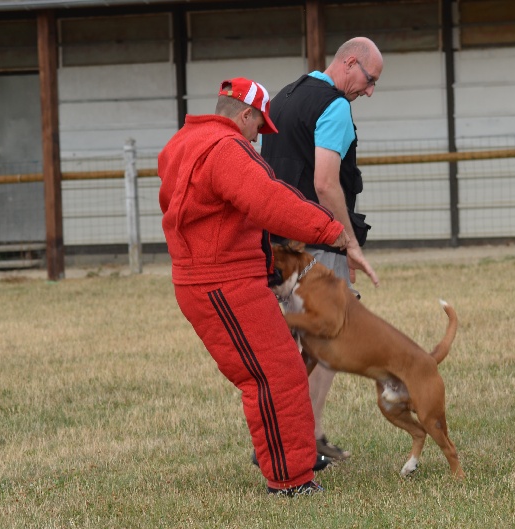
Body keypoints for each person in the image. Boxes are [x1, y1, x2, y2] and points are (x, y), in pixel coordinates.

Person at [157, 77, 374, 495]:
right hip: (224, 282)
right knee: (274, 374)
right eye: (260, 126)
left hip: (208, 277)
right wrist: (332, 231)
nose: (260, 137)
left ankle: (290, 464)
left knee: (271, 372)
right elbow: (270, 201)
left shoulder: (181, 143)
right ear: (245, 115)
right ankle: (290, 480)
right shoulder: (227, 150)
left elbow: (214, 211)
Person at [261, 37, 383, 462]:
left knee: (285, 346)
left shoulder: (282, 99)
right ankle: (305, 442)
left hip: (277, 246)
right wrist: (349, 243)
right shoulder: (334, 107)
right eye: (370, 80)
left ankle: (275, 440)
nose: (369, 91)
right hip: (317, 243)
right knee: (325, 341)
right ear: (350, 63)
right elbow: (326, 183)